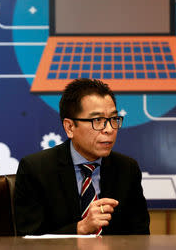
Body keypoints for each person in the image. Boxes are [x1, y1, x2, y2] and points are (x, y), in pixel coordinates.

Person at [14, 78, 150, 235]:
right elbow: (29, 237)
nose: (109, 129)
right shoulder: (36, 169)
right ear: (70, 127)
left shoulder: (127, 169)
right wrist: (81, 228)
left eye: (113, 119)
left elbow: (140, 235)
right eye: (97, 120)